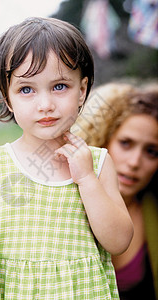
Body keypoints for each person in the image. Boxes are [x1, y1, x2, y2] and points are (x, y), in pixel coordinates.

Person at [0, 18, 133, 299]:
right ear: (7, 97)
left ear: (82, 90)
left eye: (60, 86)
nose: (46, 105)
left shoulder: (98, 163)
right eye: (26, 89)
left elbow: (119, 241)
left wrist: (87, 179)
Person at [74, 82, 158, 299]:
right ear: (103, 139)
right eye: (126, 143)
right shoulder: (62, 197)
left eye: (152, 151)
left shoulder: (151, 213)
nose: (134, 162)